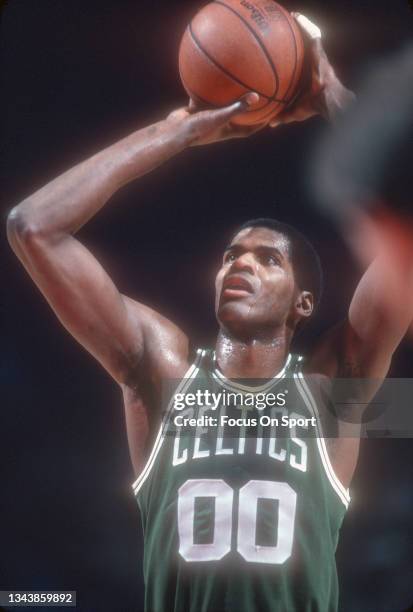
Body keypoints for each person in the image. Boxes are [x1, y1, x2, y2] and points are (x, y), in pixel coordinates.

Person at [6, 13, 409, 612]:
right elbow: (33, 227)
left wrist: (334, 98)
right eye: (231, 255)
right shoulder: (161, 374)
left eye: (268, 258)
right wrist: (178, 134)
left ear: (304, 303)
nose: (240, 264)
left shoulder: (335, 388)